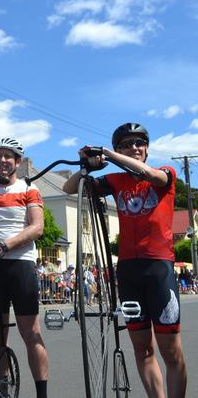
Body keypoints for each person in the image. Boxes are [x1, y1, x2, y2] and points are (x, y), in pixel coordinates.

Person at [62, 122, 187, 398]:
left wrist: (108, 153)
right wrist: (86, 166)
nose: (135, 148)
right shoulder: (116, 182)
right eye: (127, 144)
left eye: (139, 143)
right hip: (128, 271)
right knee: (143, 350)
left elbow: (148, 174)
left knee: (171, 352)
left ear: (147, 148)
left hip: (159, 270)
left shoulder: (165, 173)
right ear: (120, 148)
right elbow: (69, 188)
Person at [0, 137, 49, 398]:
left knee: (31, 333)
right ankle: (2, 388)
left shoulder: (29, 188)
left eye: (8, 156)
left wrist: (3, 246)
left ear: (18, 162)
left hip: (20, 266)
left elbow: (36, 227)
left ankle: (42, 393)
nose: (3, 161)